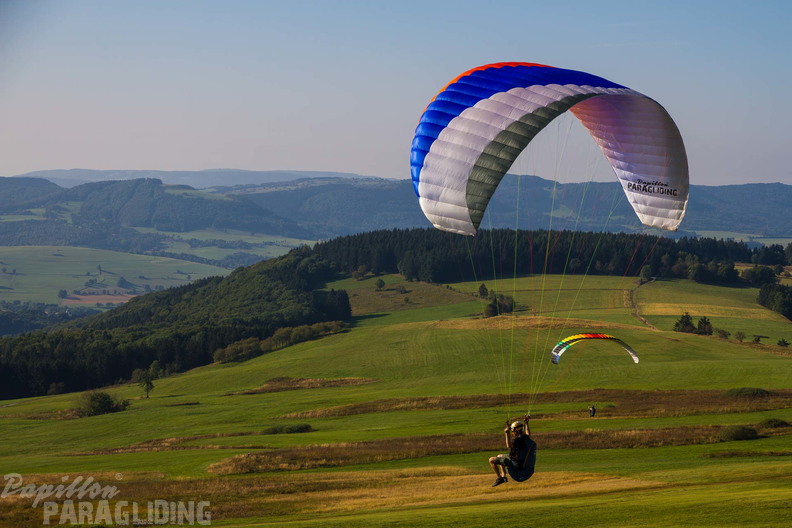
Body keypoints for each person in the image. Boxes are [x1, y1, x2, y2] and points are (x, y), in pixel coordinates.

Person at [488, 414, 537, 487]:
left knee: (491, 460)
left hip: (516, 466)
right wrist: (526, 423)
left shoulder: (517, 441)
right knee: (500, 456)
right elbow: (528, 434)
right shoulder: (526, 438)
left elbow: (509, 446)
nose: (512, 433)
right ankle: (503, 476)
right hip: (526, 468)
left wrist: (506, 434)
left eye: (512, 431)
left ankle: (499, 478)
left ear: (515, 432)